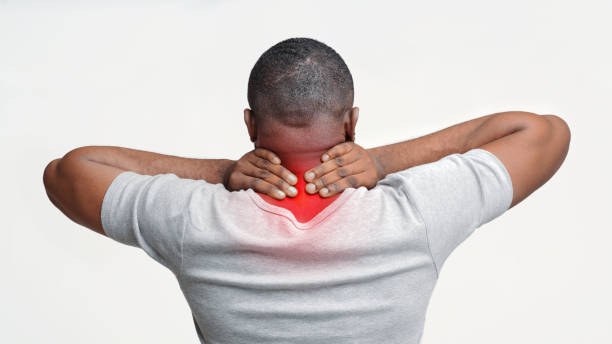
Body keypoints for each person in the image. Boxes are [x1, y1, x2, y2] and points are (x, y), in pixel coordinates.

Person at [43, 38, 571, 343]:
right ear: (352, 122)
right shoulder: (416, 213)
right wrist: (382, 160)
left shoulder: (192, 220)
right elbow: (542, 132)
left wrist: (220, 171)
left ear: (251, 124)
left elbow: (69, 170)